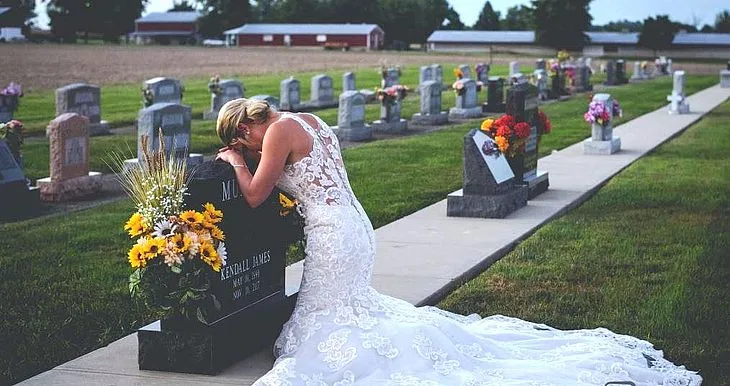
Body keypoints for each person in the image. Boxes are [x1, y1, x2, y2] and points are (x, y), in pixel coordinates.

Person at [215, 98, 701, 385]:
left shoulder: (276, 131)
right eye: (245, 150)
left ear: (243, 126)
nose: (250, 150)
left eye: (244, 143)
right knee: (345, 306)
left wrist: (236, 165)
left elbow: (256, 194)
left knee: (327, 320)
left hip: (333, 231)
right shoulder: (307, 120)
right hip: (351, 222)